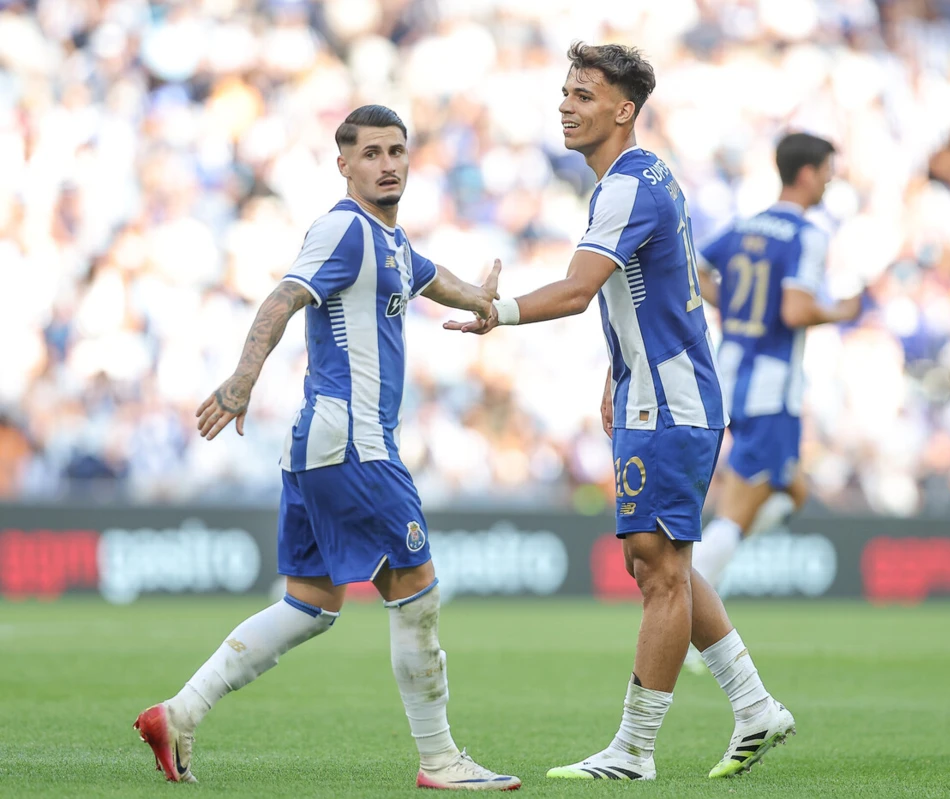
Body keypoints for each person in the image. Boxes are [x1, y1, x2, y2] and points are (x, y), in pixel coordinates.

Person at [133, 105, 521, 791]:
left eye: (396, 150)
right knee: (417, 594)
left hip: (322, 445)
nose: (387, 163)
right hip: (355, 444)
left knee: (310, 603)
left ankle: (179, 711)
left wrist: (484, 301)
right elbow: (283, 296)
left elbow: (434, 278)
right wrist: (242, 380)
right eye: (370, 153)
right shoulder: (344, 228)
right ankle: (440, 760)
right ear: (343, 164)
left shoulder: (392, 242)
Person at [446, 42, 794, 781]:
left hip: (672, 400)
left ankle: (634, 750)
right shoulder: (639, 177)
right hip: (650, 390)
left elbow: (578, 290)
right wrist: (617, 364)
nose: (566, 105)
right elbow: (652, 289)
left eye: (582, 94)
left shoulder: (627, 186)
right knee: (656, 561)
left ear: (622, 109)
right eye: (565, 92)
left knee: (662, 570)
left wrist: (494, 310)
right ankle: (755, 706)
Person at [683, 133, 861, 675]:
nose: (831, 180)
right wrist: (841, 310)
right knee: (740, 510)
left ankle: (700, 591)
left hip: (729, 370)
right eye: (828, 170)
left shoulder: (744, 225)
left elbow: (695, 270)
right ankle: (693, 619)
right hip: (772, 385)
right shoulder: (808, 232)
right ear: (806, 174)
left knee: (792, 489)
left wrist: (731, 304)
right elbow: (794, 310)